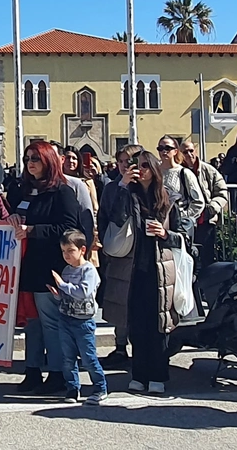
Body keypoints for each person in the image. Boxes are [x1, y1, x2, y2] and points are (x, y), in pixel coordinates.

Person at [11, 140, 94, 394]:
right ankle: (33, 370)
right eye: (27, 159)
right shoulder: (27, 190)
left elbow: (70, 228)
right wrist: (14, 217)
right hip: (31, 265)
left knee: (51, 323)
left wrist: (33, 230)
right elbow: (22, 215)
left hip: (52, 266)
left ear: (47, 160)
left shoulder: (62, 191)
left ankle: (58, 374)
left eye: (35, 159)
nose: (30, 164)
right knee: (33, 323)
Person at [121, 150, 184, 394]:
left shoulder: (168, 199)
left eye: (146, 165)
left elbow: (183, 236)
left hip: (160, 269)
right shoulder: (128, 194)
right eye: (137, 165)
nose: (141, 169)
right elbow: (114, 217)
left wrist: (165, 234)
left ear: (155, 169)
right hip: (135, 266)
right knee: (137, 324)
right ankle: (138, 375)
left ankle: (158, 374)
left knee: (159, 323)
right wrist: (123, 184)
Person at [47, 229, 107, 405]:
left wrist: (63, 285)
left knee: (88, 357)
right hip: (66, 318)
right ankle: (72, 388)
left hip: (84, 322)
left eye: (70, 251)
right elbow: (67, 295)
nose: (66, 255)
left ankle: (100, 387)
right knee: (68, 357)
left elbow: (83, 292)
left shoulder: (88, 271)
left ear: (82, 250)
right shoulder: (66, 270)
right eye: (64, 251)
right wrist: (58, 294)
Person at [96, 144, 143, 365]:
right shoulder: (112, 187)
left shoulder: (148, 184)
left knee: (142, 301)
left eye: (130, 161)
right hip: (120, 251)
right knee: (120, 300)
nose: (125, 165)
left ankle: (142, 346)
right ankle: (121, 347)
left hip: (143, 251)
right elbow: (107, 215)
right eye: (122, 161)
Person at [180, 141, 229, 268]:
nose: (189, 154)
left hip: (205, 220)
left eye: (191, 150)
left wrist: (212, 208)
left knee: (207, 257)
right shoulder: (178, 171)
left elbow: (222, 191)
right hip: (185, 222)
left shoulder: (208, 170)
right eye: (185, 152)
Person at [156, 136, 204, 224]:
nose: (164, 151)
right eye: (160, 148)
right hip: (157, 222)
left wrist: (184, 217)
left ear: (176, 151)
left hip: (178, 224)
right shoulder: (154, 172)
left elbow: (198, 202)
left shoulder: (184, 173)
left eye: (168, 148)